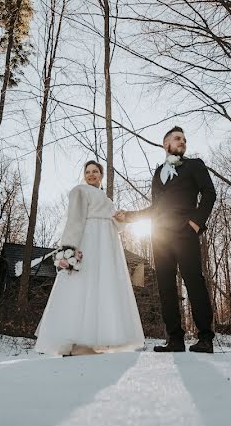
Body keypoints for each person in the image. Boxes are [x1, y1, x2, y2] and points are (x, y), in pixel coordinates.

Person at [115, 126, 217, 353]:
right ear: (166, 144)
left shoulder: (195, 165)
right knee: (165, 287)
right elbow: (155, 209)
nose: (183, 142)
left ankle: (205, 338)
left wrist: (195, 223)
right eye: (177, 138)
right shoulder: (158, 173)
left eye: (184, 139)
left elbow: (209, 193)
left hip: (185, 232)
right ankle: (175, 339)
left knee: (194, 282)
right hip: (160, 236)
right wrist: (129, 216)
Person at [34, 160, 145, 356]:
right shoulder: (80, 191)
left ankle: (94, 340)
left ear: (101, 175)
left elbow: (115, 226)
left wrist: (120, 220)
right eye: (88, 172)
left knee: (101, 287)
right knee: (83, 283)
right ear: (84, 176)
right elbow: (74, 219)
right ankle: (76, 342)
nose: (91, 174)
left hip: (107, 246)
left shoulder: (106, 199)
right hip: (89, 241)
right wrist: (69, 248)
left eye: (95, 171)